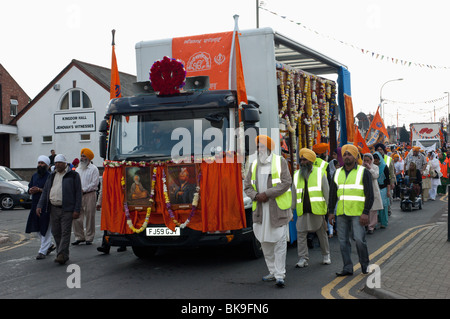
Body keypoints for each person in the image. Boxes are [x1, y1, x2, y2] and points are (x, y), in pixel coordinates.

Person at [244, 135, 292, 288]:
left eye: (262, 147)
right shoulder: (254, 165)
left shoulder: (280, 161)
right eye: (258, 147)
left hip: (277, 210)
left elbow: (286, 182)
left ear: (269, 148)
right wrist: (256, 196)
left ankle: (280, 275)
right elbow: (247, 187)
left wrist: (268, 194)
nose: (260, 149)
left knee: (279, 243)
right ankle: (272, 271)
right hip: (260, 210)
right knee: (265, 243)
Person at [328, 144, 374, 276]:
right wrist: (331, 212)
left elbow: (369, 194)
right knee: (343, 242)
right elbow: (332, 194)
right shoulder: (337, 173)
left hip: (358, 213)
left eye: (349, 154)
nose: (347, 157)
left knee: (359, 240)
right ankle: (347, 267)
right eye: (345, 155)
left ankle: (365, 265)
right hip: (342, 213)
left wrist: (365, 212)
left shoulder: (363, 172)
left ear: (355, 156)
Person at [36, 154, 82, 265]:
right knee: (56, 232)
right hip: (53, 208)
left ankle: (61, 254)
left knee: (65, 232)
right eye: (56, 163)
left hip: (67, 209)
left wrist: (77, 209)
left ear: (65, 163)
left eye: (60, 163)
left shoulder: (73, 175)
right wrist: (39, 205)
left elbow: (78, 193)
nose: (57, 165)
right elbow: (46, 191)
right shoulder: (51, 175)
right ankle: (62, 253)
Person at [292, 148, 331, 268]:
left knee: (321, 234)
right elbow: (293, 193)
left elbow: (326, 192)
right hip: (302, 210)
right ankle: (303, 258)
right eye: (301, 159)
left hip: (317, 209)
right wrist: (290, 209)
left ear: (310, 161)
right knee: (301, 234)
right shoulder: (296, 174)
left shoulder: (320, 173)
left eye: (304, 160)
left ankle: (326, 255)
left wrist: (329, 210)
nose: (302, 162)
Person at [25, 155, 55, 259]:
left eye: (42, 163)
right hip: (34, 205)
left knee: (45, 227)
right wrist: (30, 190)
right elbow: (29, 187)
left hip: (45, 205)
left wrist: (39, 190)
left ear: (47, 165)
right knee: (37, 227)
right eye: (39, 163)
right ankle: (49, 245)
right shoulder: (34, 176)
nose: (40, 165)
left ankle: (42, 251)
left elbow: (51, 191)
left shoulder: (50, 176)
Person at [72, 148, 99, 245]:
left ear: (89, 158)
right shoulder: (78, 169)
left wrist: (84, 189)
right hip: (78, 196)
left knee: (90, 216)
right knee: (76, 216)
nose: (82, 158)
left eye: (84, 156)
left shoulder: (94, 169)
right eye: (81, 156)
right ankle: (79, 237)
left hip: (90, 195)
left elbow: (94, 184)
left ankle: (89, 237)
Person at [362, 153, 383, 234]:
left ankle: (371, 226)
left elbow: (375, 176)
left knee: (373, 210)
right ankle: (366, 224)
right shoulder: (361, 167)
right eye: (365, 160)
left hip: (373, 189)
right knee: (366, 208)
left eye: (368, 160)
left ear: (371, 160)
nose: (366, 162)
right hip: (364, 189)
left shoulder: (375, 167)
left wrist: (369, 168)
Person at [373, 152, 390, 229]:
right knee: (375, 207)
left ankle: (384, 222)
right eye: (374, 161)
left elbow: (387, 180)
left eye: (377, 161)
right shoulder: (372, 167)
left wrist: (388, 191)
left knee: (383, 206)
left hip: (383, 188)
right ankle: (375, 223)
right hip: (375, 188)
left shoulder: (384, 167)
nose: (375, 163)